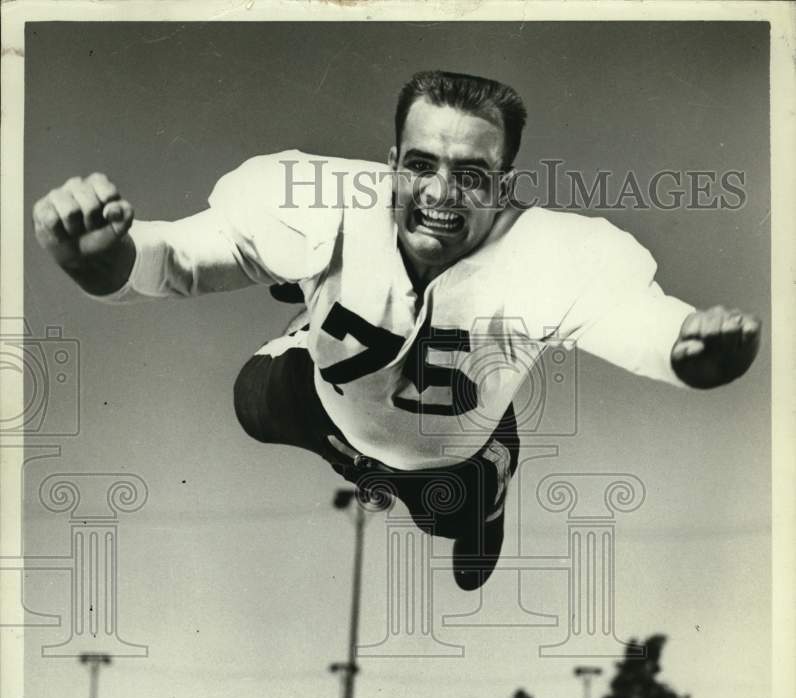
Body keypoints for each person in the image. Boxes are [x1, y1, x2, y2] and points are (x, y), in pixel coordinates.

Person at [32, 70, 761, 590]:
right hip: (332, 401)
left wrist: (690, 351)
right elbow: (173, 260)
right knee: (255, 402)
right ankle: (323, 332)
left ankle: (486, 489)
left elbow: (642, 322)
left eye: (472, 176)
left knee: (450, 510)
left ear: (505, 184)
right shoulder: (322, 202)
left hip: (456, 442)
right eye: (422, 166)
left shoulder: (552, 253)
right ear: (390, 166)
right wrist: (97, 258)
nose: (442, 196)